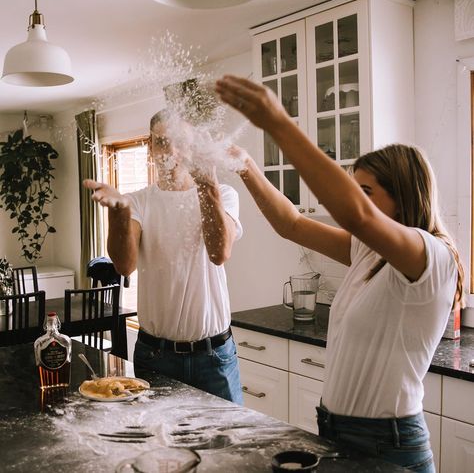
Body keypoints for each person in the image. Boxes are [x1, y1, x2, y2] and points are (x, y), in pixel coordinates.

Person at [216, 75, 463, 472]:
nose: (355, 198)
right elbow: (291, 224)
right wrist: (246, 168)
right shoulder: (370, 250)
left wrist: (279, 122)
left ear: (402, 199)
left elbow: (356, 215)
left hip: (388, 445)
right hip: (336, 431)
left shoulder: (431, 254)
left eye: (366, 190)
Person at [83, 109, 243, 404]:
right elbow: (124, 265)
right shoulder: (138, 202)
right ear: (151, 147)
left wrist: (208, 185)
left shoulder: (225, 194)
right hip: (156, 356)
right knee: (158, 448)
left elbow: (219, 252)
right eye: (162, 142)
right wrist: (119, 212)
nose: (171, 151)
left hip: (215, 358)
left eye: (180, 141)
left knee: (226, 447)